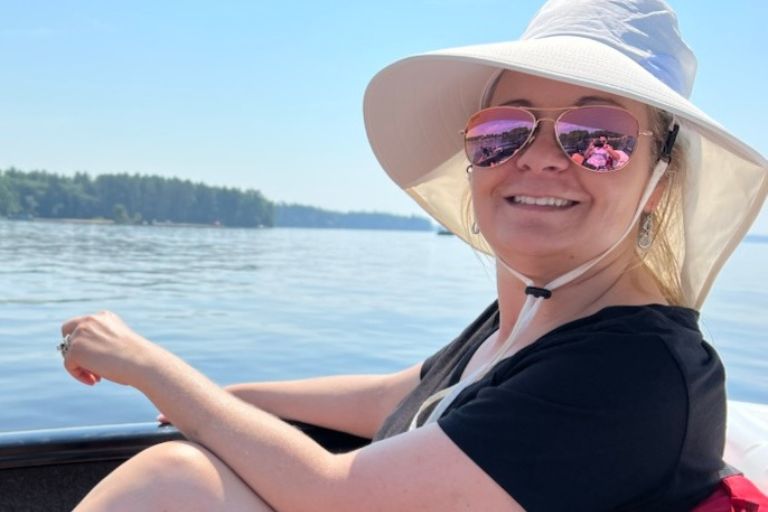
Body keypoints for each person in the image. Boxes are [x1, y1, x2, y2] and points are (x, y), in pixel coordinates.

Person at [59, 0, 768, 510]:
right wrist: (238, 396)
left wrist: (151, 368)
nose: (543, 159)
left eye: (597, 135)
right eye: (505, 130)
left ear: (659, 182)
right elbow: (416, 392)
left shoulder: (633, 373)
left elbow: (334, 497)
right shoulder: (537, 317)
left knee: (176, 482)